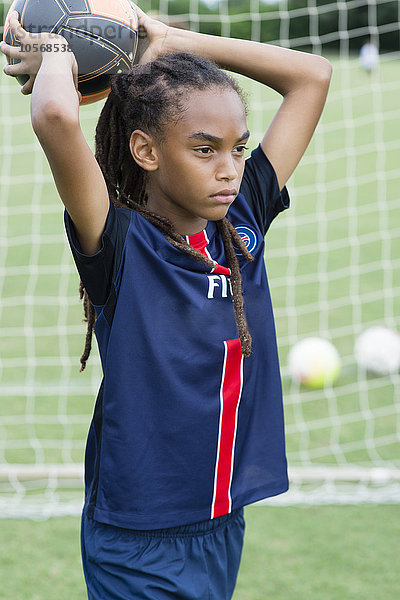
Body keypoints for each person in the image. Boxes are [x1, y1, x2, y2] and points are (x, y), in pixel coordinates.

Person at [1, 7, 332, 599]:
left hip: (220, 518)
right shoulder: (120, 241)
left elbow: (311, 76)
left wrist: (170, 41)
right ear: (146, 151)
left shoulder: (242, 219)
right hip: (139, 534)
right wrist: (58, 51)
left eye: (238, 149)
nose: (230, 170)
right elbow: (54, 114)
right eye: (205, 150)